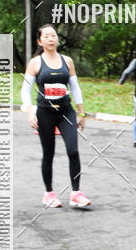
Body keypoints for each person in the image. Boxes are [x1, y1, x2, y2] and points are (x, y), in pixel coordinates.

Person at [21, 25, 91, 208]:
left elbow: (75, 87)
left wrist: (81, 112)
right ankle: (49, 194)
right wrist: (30, 111)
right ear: (40, 40)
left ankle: (76, 193)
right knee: (48, 153)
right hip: (44, 112)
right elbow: (25, 90)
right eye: (46, 36)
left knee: (73, 151)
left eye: (53, 35)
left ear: (57, 39)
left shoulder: (67, 61)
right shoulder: (35, 63)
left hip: (65, 111)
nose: (51, 39)